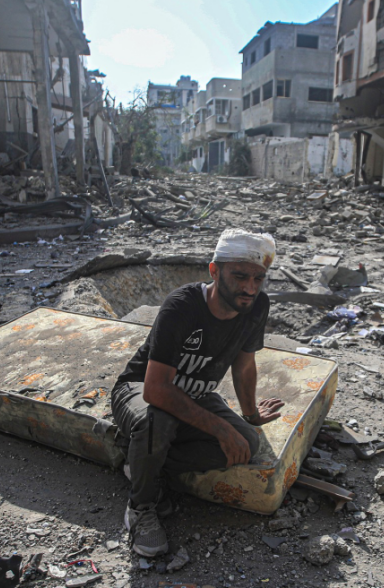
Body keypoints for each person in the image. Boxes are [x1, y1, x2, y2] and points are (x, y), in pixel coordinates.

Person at [110, 228, 285, 557]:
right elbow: (156, 390)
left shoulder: (256, 305)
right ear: (214, 271)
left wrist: (250, 415)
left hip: (196, 395)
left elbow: (244, 365)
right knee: (157, 422)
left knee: (246, 443)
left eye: (258, 278)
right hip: (139, 388)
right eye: (240, 276)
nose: (249, 288)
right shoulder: (182, 306)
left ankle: (141, 461)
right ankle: (141, 507)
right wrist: (219, 428)